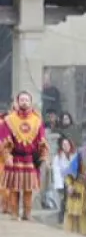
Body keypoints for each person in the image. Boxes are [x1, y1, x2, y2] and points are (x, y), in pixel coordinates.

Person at [0, 91, 47, 220]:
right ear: (17, 102)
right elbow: (4, 138)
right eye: (22, 100)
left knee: (28, 189)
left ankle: (27, 214)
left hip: (30, 158)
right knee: (14, 188)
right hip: (14, 157)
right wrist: (7, 155)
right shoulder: (9, 120)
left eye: (27, 100)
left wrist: (42, 156)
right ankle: (14, 214)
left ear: (30, 102)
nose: (24, 102)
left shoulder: (37, 120)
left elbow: (41, 139)